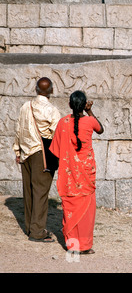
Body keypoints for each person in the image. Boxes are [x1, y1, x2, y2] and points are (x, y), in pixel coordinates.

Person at [50, 90, 104, 254]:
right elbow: (101, 129)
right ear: (84, 104)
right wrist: (89, 111)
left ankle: (72, 246)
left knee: (70, 207)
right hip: (86, 172)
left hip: (69, 173)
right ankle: (85, 246)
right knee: (87, 209)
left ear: (69, 105)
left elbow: (56, 149)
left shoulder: (62, 122)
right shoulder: (89, 122)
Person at [13, 77, 61, 242]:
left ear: (35, 89)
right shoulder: (52, 110)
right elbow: (57, 135)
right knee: (40, 192)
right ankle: (37, 232)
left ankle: (29, 227)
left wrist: (17, 151)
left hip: (26, 152)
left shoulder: (26, 106)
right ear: (51, 91)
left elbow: (18, 128)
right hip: (42, 154)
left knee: (28, 192)